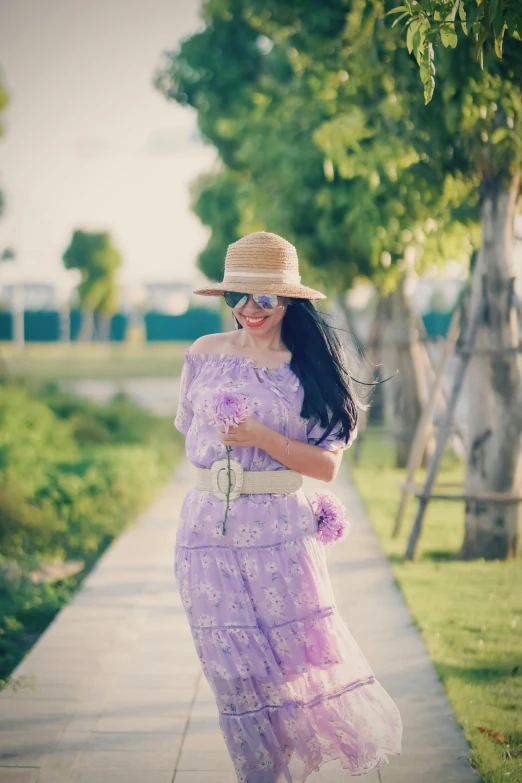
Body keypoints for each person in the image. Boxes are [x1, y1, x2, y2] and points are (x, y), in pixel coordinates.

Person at [174, 231, 402, 782]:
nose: (250, 310)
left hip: (279, 534)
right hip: (205, 533)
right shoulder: (203, 354)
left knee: (283, 675)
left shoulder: (309, 369)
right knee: (231, 675)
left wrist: (258, 434)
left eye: (265, 299)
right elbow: (189, 430)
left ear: (290, 300)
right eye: (239, 298)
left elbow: (326, 467)